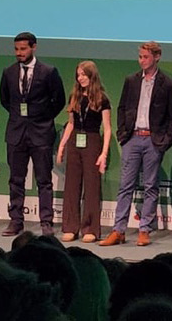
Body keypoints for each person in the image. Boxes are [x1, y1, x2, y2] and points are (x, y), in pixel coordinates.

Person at [100, 41, 172, 247]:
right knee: (125, 185)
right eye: (140, 57)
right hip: (132, 138)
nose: (142, 60)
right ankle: (119, 230)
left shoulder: (168, 84)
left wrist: (164, 142)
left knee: (150, 186)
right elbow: (122, 107)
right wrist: (122, 134)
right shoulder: (131, 80)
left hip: (153, 140)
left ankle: (144, 229)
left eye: (145, 57)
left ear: (157, 57)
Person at [0, 32, 66, 237]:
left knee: (44, 179)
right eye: (17, 49)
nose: (19, 53)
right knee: (15, 179)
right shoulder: (9, 72)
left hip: (41, 132)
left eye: (23, 49)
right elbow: (5, 100)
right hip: (16, 133)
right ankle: (16, 221)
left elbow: (59, 100)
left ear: (34, 47)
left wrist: (43, 118)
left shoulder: (48, 71)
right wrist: (20, 117)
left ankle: (46, 222)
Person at [57, 60, 112, 243]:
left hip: (92, 141)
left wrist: (103, 154)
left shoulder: (102, 98)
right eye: (78, 75)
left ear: (92, 76)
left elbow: (108, 128)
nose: (80, 78)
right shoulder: (75, 96)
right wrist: (62, 145)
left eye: (83, 74)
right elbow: (71, 124)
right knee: (71, 185)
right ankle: (70, 227)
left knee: (91, 186)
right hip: (74, 142)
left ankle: (90, 229)